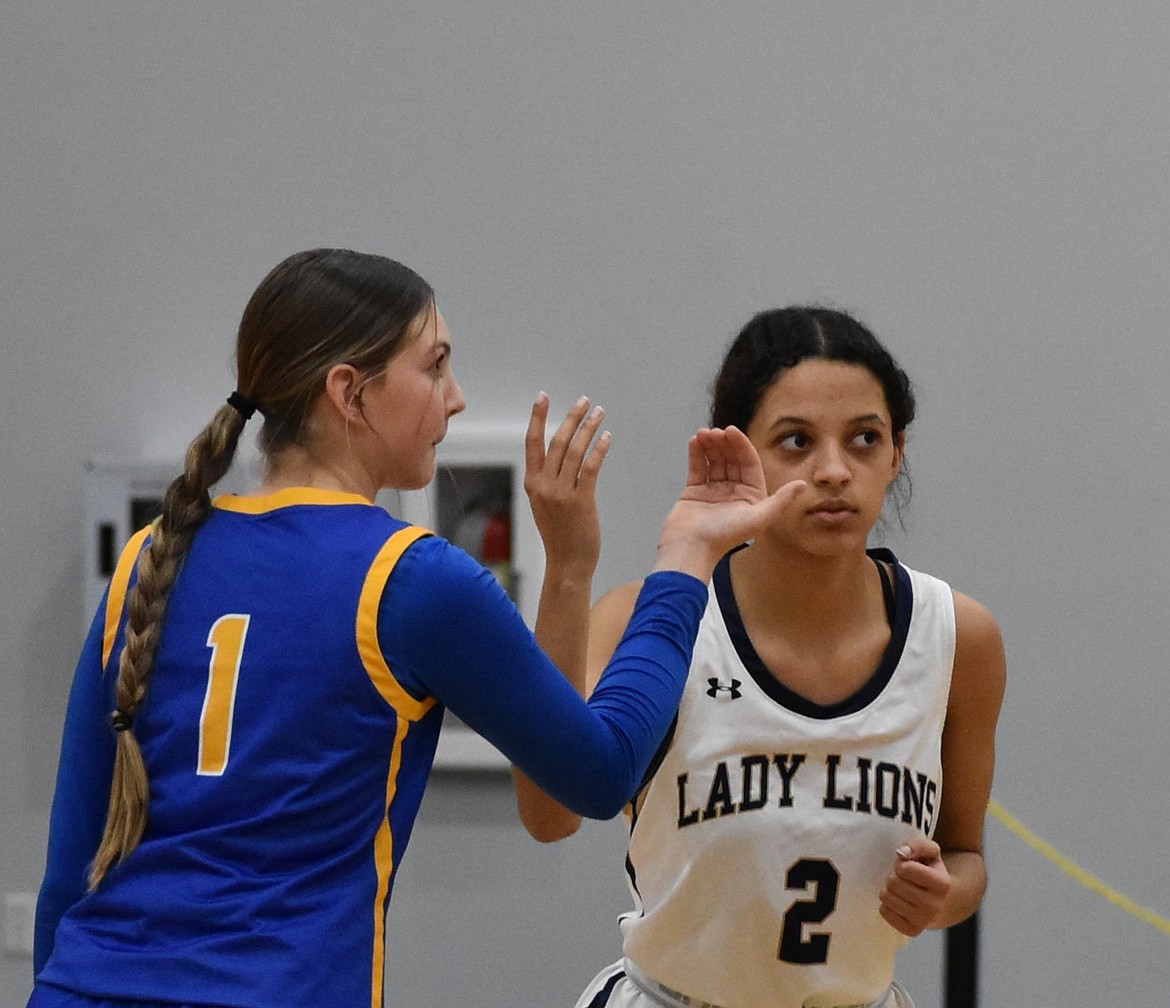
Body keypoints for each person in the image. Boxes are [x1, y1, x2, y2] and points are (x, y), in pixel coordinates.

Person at [28, 249, 811, 1008]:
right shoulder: (409, 578)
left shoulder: (147, 557)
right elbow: (600, 772)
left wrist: (571, 566)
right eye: (435, 365)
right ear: (350, 392)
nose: (457, 395)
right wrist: (685, 561)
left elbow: (70, 871)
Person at [516, 306, 1008, 1008]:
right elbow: (549, 814)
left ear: (896, 452)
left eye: (864, 439)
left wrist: (942, 895)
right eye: (797, 440)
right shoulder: (651, 616)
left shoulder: (961, 637)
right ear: (742, 450)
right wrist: (567, 567)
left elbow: (966, 860)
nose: (834, 470)